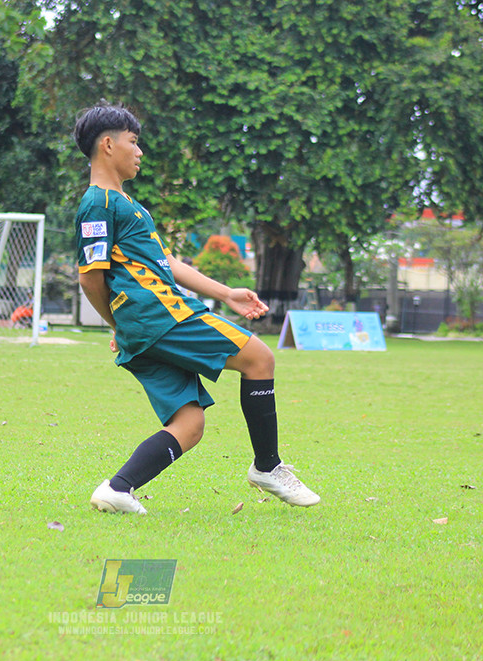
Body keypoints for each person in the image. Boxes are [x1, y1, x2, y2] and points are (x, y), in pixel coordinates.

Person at [73, 102, 320, 514]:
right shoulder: (98, 203)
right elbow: (89, 277)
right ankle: (267, 466)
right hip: (160, 316)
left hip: (147, 324)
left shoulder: (128, 204)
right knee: (260, 359)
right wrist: (118, 322)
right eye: (134, 142)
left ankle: (117, 489)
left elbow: (167, 263)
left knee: (189, 425)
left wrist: (226, 293)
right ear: (108, 145)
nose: (139, 151)